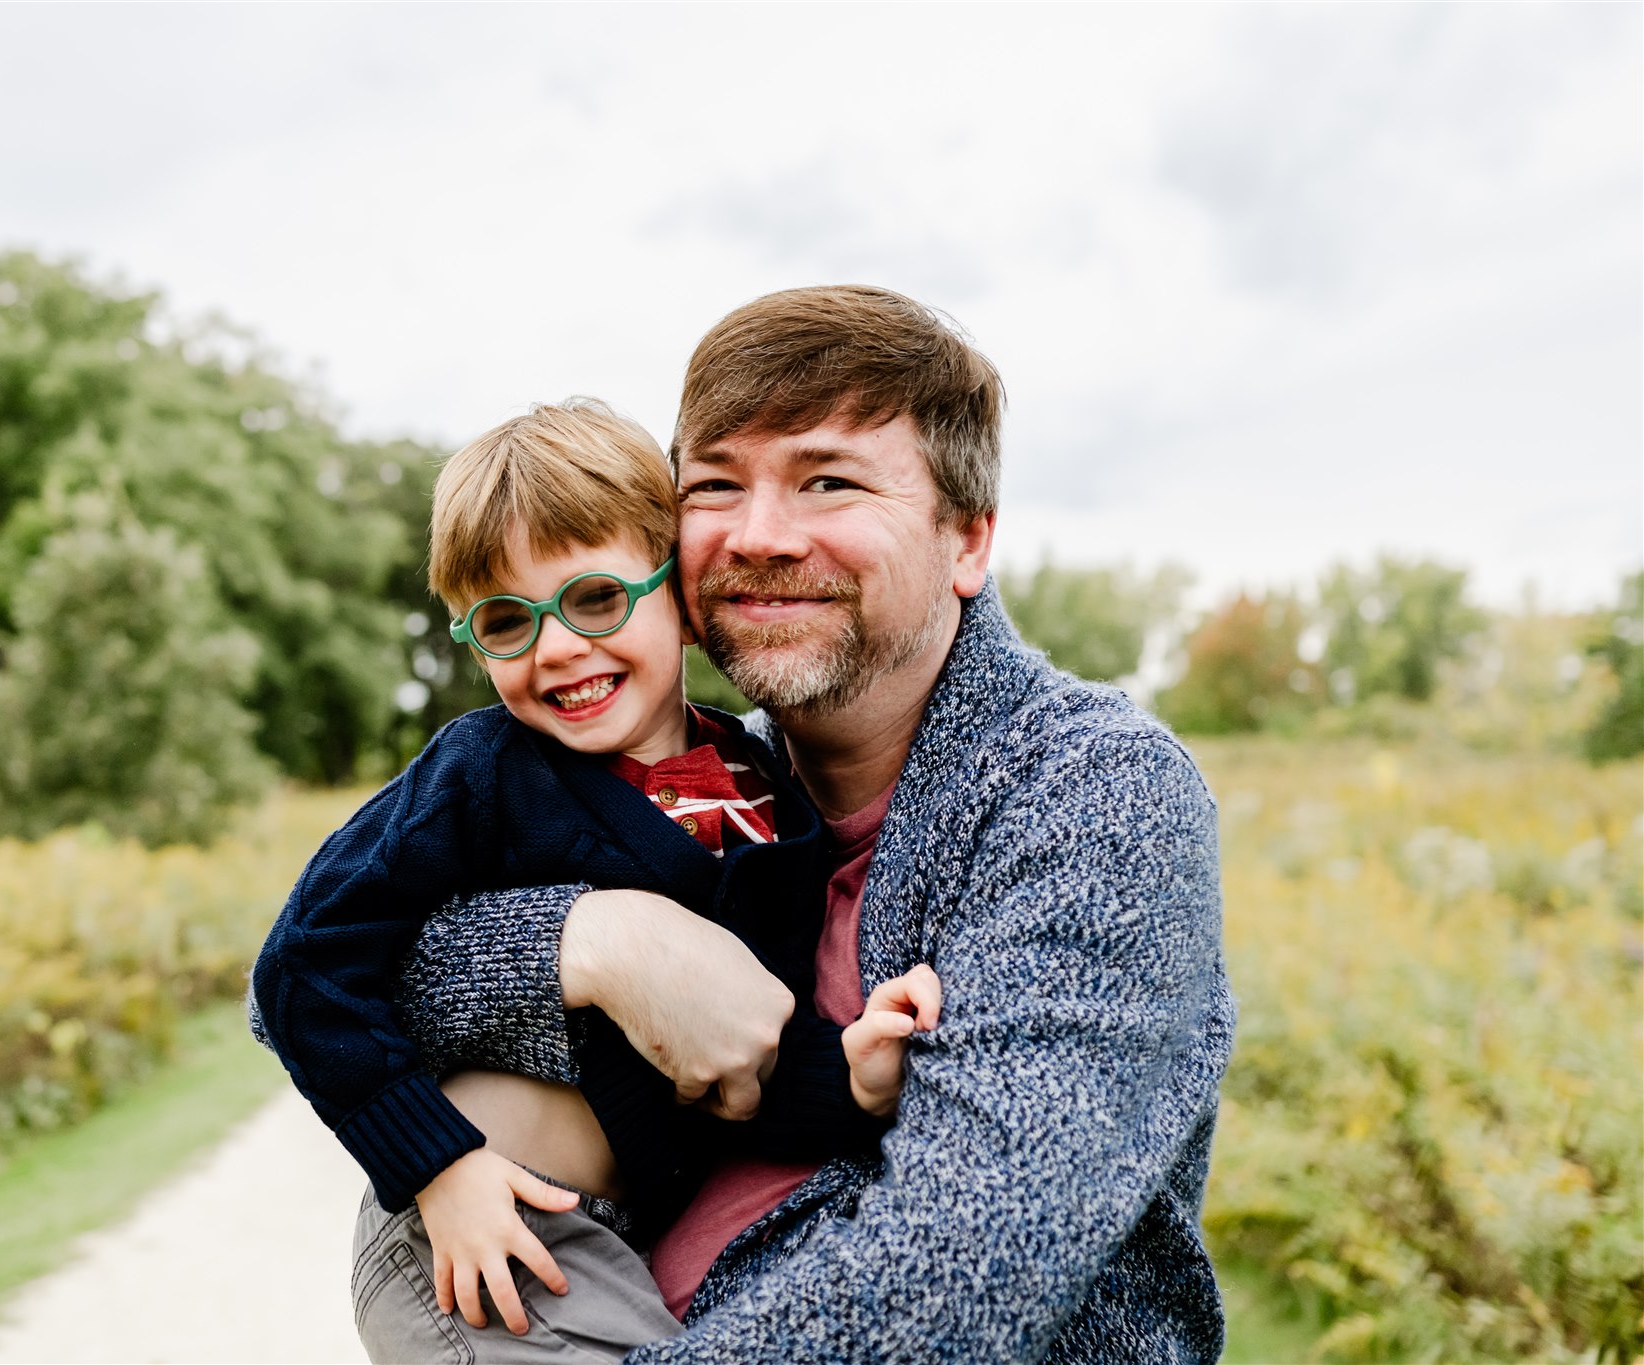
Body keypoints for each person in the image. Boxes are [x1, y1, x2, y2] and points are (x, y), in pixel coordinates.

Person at [392, 286, 1236, 1362]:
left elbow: (962, 1270)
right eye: (714, 485)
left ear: (967, 538)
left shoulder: (1091, 786)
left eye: (827, 480)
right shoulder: (700, 780)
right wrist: (594, 944)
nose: (758, 536)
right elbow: (329, 978)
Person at [248, 399, 943, 1362]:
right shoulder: (483, 774)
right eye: (506, 621)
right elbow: (302, 966)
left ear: (683, 599)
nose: (558, 647)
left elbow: (740, 1069)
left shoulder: (769, 796)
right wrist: (438, 1166)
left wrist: (851, 1078)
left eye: (596, 599)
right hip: (478, 1228)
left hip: (616, 1240)